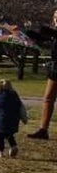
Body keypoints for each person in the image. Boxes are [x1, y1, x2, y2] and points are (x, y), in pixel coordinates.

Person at [26, 10, 57, 140]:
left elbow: (49, 33)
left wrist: (42, 29)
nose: (56, 19)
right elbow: (43, 37)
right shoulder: (54, 34)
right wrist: (27, 32)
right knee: (48, 99)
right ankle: (43, 130)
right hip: (55, 68)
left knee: (49, 98)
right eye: (55, 17)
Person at [0, 79, 28, 157]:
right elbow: (22, 109)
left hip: (1, 122)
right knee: (9, 134)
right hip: (13, 122)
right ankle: (14, 146)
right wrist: (24, 119)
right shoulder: (16, 98)